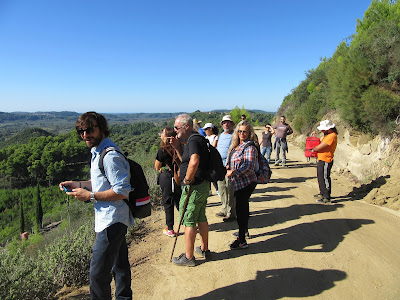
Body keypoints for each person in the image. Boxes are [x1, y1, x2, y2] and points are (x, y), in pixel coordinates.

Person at [59, 112, 134, 300]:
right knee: (120, 266)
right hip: (114, 218)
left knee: (98, 275)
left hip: (112, 220)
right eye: (81, 131)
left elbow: (122, 191)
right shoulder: (98, 152)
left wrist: (90, 196)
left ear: (101, 128)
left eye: (90, 129)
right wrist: (79, 185)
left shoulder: (109, 156)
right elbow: (102, 183)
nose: (85, 135)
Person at [171, 114, 210, 266]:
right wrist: (177, 147)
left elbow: (194, 161)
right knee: (200, 216)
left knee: (189, 219)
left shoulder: (193, 140)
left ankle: (188, 257)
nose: (175, 131)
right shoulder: (197, 139)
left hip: (194, 186)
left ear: (186, 126)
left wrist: (187, 180)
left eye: (177, 127)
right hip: (202, 184)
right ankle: (204, 249)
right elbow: (186, 161)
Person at [226, 120, 258, 250]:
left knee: (241, 209)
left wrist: (234, 172)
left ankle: (242, 240)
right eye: (240, 131)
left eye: (245, 131)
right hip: (239, 182)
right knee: (241, 208)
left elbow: (249, 166)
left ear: (249, 133)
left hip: (246, 182)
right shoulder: (239, 145)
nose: (242, 134)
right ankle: (242, 234)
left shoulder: (249, 147)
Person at [155, 127, 182, 237]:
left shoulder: (162, 150)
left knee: (168, 202)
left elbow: (157, 166)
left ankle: (170, 228)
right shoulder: (179, 147)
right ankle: (188, 223)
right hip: (178, 177)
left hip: (167, 178)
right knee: (179, 200)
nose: (161, 135)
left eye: (162, 133)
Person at [215, 115, 236, 222]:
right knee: (222, 189)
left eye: (228, 122)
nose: (226, 124)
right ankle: (224, 209)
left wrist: (230, 164)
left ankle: (231, 213)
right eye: (224, 122)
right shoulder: (222, 135)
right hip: (220, 167)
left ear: (232, 124)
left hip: (229, 167)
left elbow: (234, 151)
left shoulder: (235, 135)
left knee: (230, 190)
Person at [312, 120, 338, 204]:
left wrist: (314, 149)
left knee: (325, 177)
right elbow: (320, 143)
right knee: (320, 177)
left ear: (329, 129)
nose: (322, 130)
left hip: (326, 159)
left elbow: (320, 147)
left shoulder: (332, 136)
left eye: (323, 129)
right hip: (321, 158)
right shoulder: (327, 136)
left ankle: (326, 196)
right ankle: (322, 192)